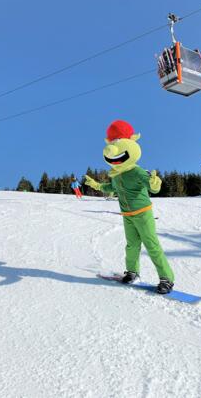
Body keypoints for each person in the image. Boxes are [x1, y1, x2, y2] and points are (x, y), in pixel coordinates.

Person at [84, 120, 175, 294]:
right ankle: (132, 272)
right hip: (127, 215)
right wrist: (95, 184)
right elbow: (109, 188)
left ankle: (167, 278)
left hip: (143, 213)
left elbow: (153, 187)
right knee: (131, 246)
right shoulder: (116, 175)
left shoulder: (137, 171)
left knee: (152, 245)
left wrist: (155, 183)